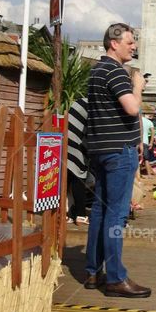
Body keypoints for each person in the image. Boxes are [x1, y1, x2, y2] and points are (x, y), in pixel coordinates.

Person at [84, 22, 150, 298]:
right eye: (130, 42)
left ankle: (92, 271)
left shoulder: (96, 71)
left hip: (99, 150)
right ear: (114, 43)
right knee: (116, 214)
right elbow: (132, 108)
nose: (134, 46)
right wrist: (138, 86)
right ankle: (115, 277)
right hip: (118, 152)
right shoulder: (116, 72)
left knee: (100, 212)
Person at [67, 96, 90, 225]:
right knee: (79, 177)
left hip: (67, 141)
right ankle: (80, 214)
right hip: (77, 145)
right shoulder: (92, 104)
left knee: (68, 178)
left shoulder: (80, 101)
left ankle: (68, 214)